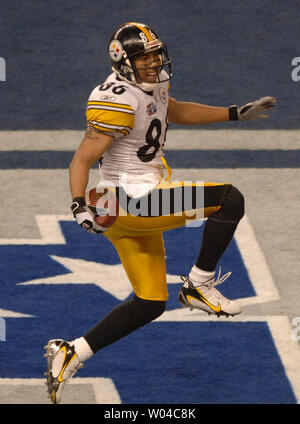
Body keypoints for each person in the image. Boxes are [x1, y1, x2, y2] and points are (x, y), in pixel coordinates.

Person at [44, 22, 276, 404]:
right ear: (123, 62)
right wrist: (77, 203)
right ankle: (199, 285)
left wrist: (234, 113)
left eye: (155, 54)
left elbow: (174, 110)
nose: (153, 63)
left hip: (130, 203)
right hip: (128, 201)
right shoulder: (114, 97)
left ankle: (72, 352)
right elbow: (81, 158)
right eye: (143, 57)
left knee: (150, 302)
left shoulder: (154, 83)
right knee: (229, 199)